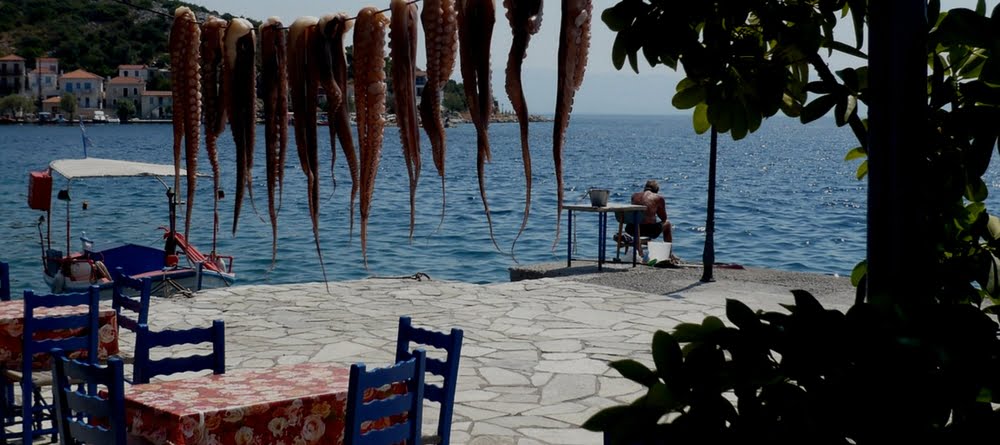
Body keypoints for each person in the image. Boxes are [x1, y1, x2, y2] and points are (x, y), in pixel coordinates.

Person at [626, 179, 672, 243]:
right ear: (656, 190)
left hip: (631, 229)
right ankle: (669, 251)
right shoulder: (658, 198)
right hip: (648, 231)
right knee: (667, 224)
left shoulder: (634, 196)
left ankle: (640, 246)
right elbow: (664, 218)